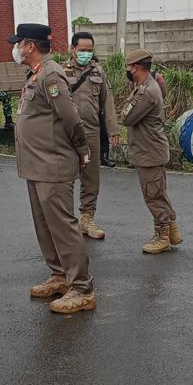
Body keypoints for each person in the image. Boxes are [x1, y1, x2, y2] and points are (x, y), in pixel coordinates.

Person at [11, 23, 96, 314]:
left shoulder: (51, 74)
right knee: (45, 226)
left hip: (53, 164)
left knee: (62, 227)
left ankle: (82, 288)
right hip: (36, 165)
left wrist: (82, 150)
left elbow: (70, 117)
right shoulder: (36, 74)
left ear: (30, 46)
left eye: (19, 43)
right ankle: (60, 276)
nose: (17, 49)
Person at [122, 49, 182, 254]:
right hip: (152, 150)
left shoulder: (146, 92)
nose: (127, 71)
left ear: (136, 68)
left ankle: (162, 236)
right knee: (158, 193)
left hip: (149, 151)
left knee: (153, 196)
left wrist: (130, 98)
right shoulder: (149, 86)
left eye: (129, 67)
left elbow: (127, 117)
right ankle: (172, 230)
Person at [63, 31, 119, 240]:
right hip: (66, 134)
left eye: (89, 50)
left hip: (91, 133)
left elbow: (107, 102)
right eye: (82, 50)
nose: (86, 53)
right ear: (73, 49)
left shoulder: (98, 72)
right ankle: (65, 222)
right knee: (65, 177)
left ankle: (87, 217)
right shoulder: (61, 71)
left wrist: (113, 130)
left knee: (91, 176)